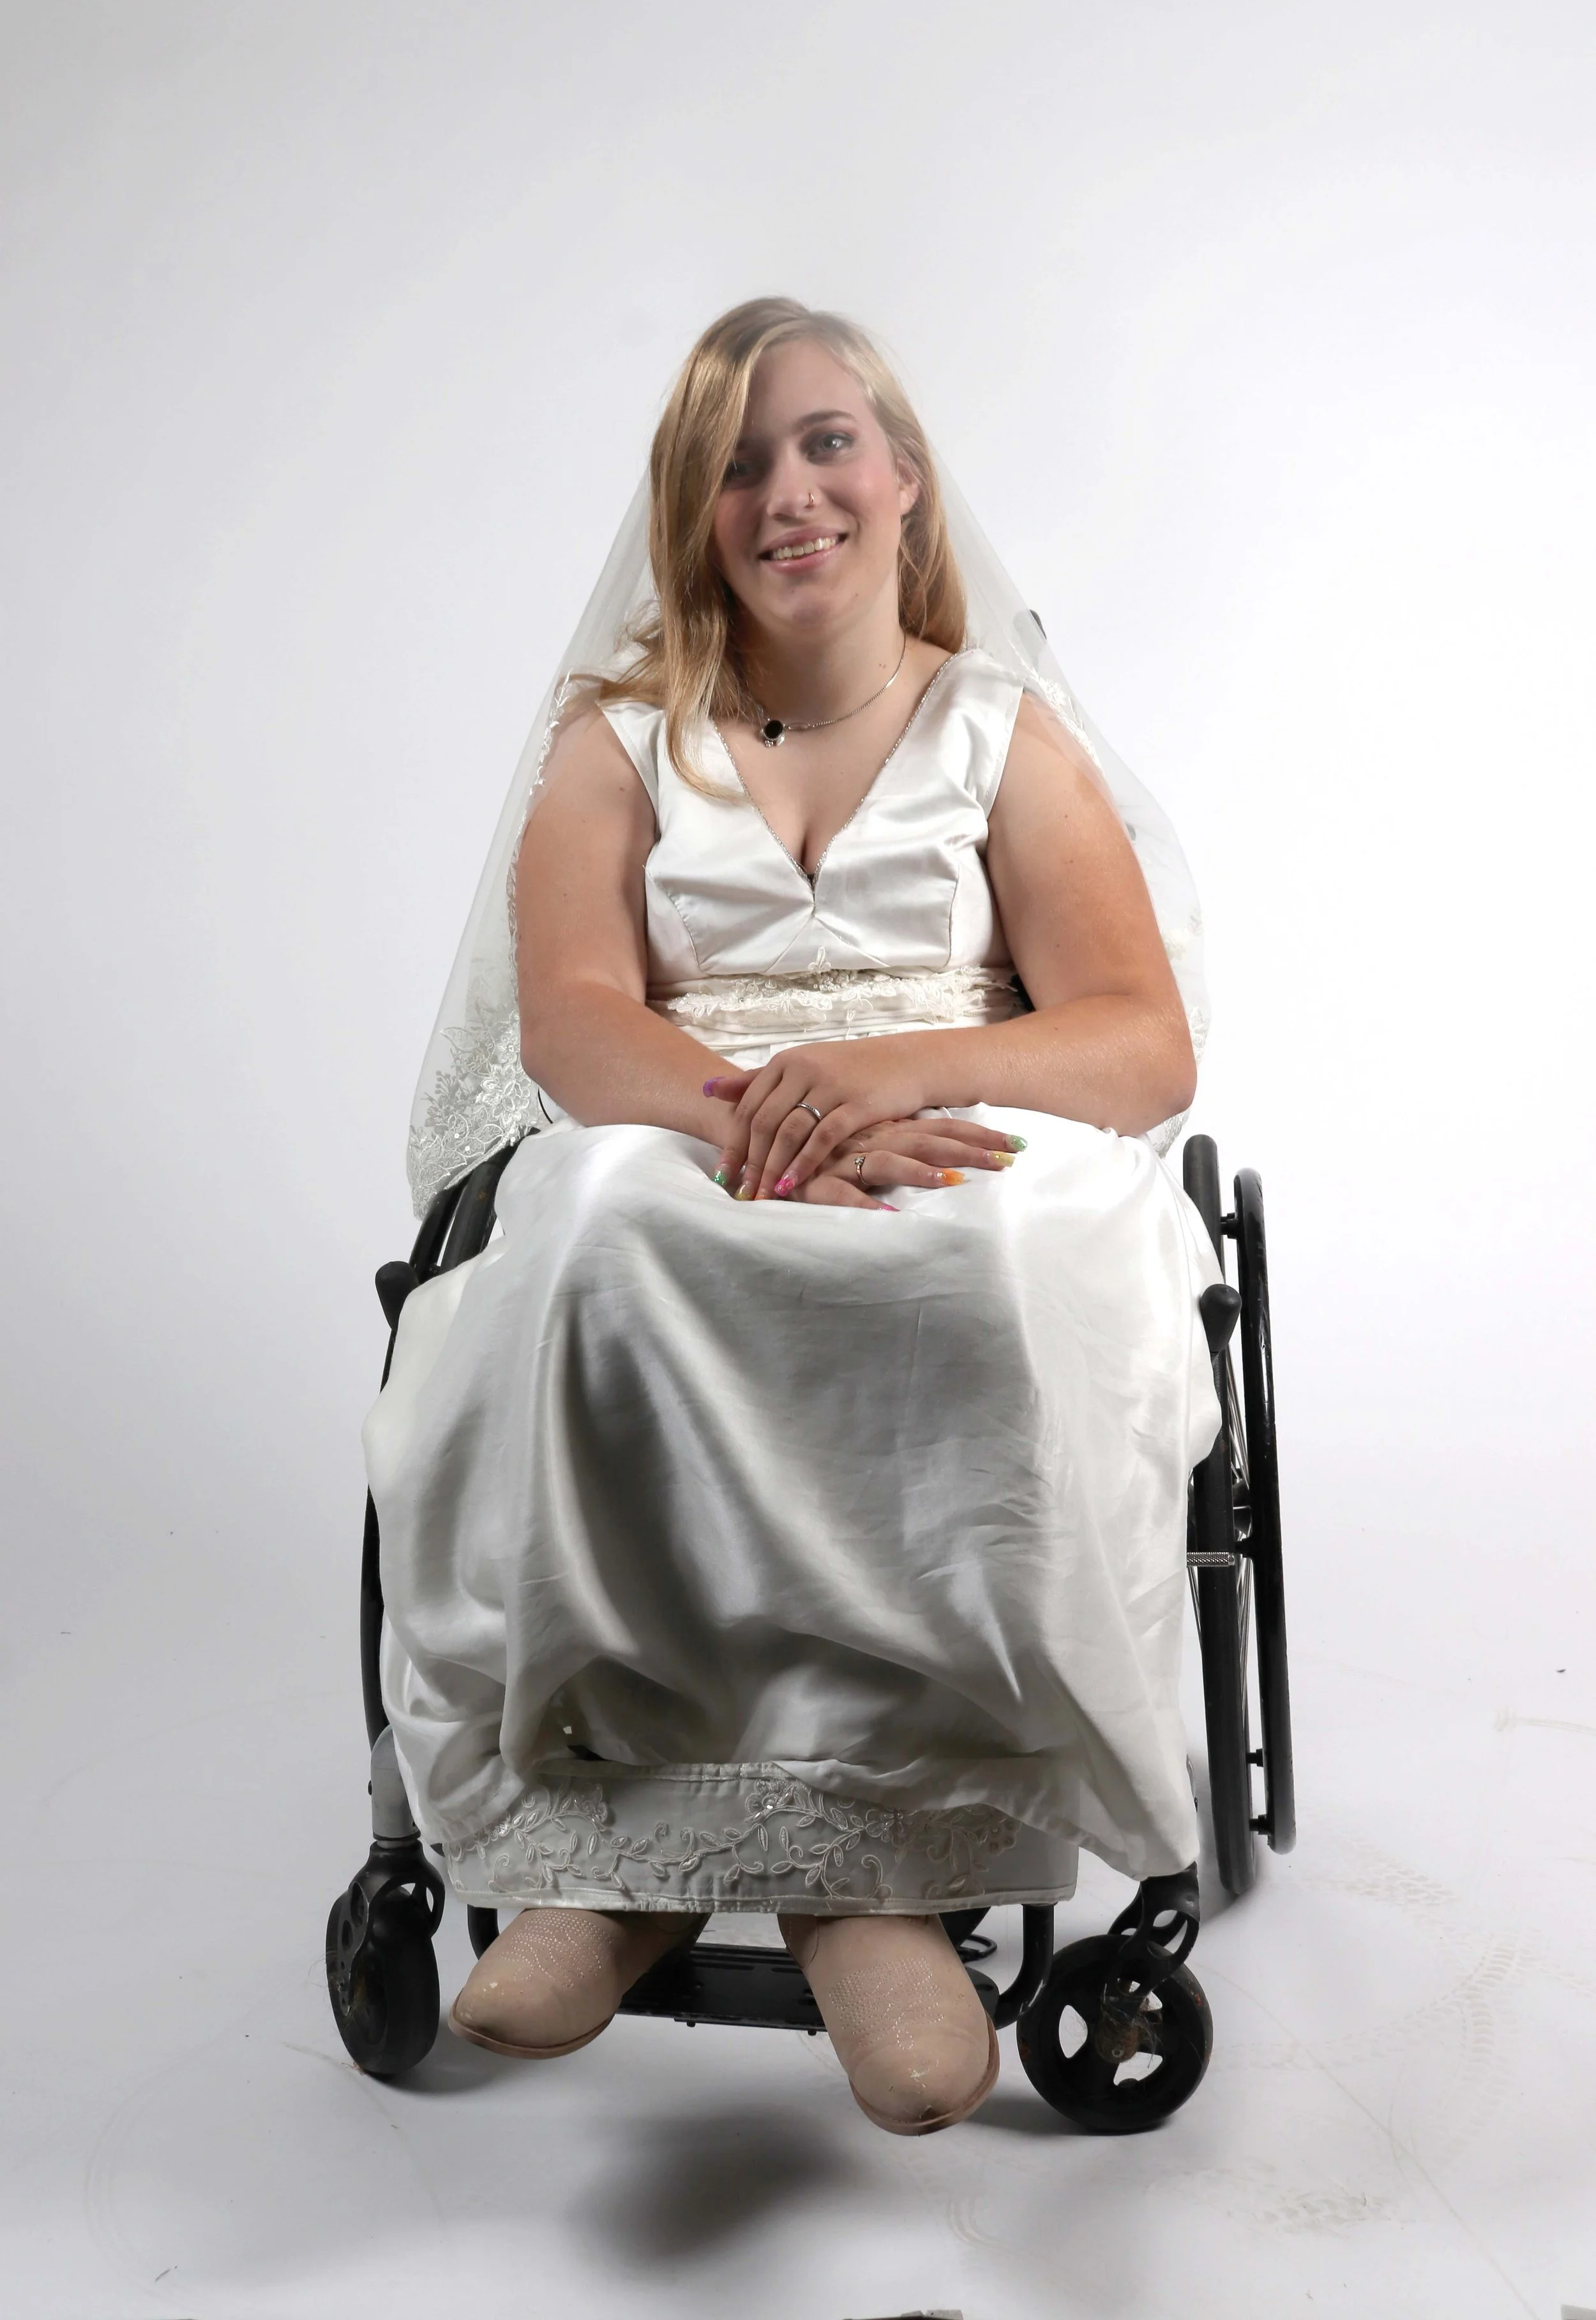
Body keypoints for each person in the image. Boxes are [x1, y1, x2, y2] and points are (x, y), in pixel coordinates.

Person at [363, 298, 1223, 2136]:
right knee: (599, 1241)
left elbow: (1139, 1041)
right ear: (692, 508)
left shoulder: (998, 732)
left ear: (905, 478)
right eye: (738, 462)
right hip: (685, 1107)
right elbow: (573, 1019)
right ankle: (618, 1859)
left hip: (960, 1101)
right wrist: (761, 1122)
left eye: (828, 442)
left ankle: (878, 1881)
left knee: (981, 1262)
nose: (789, 491)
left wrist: (889, 1078)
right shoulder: (618, 741)